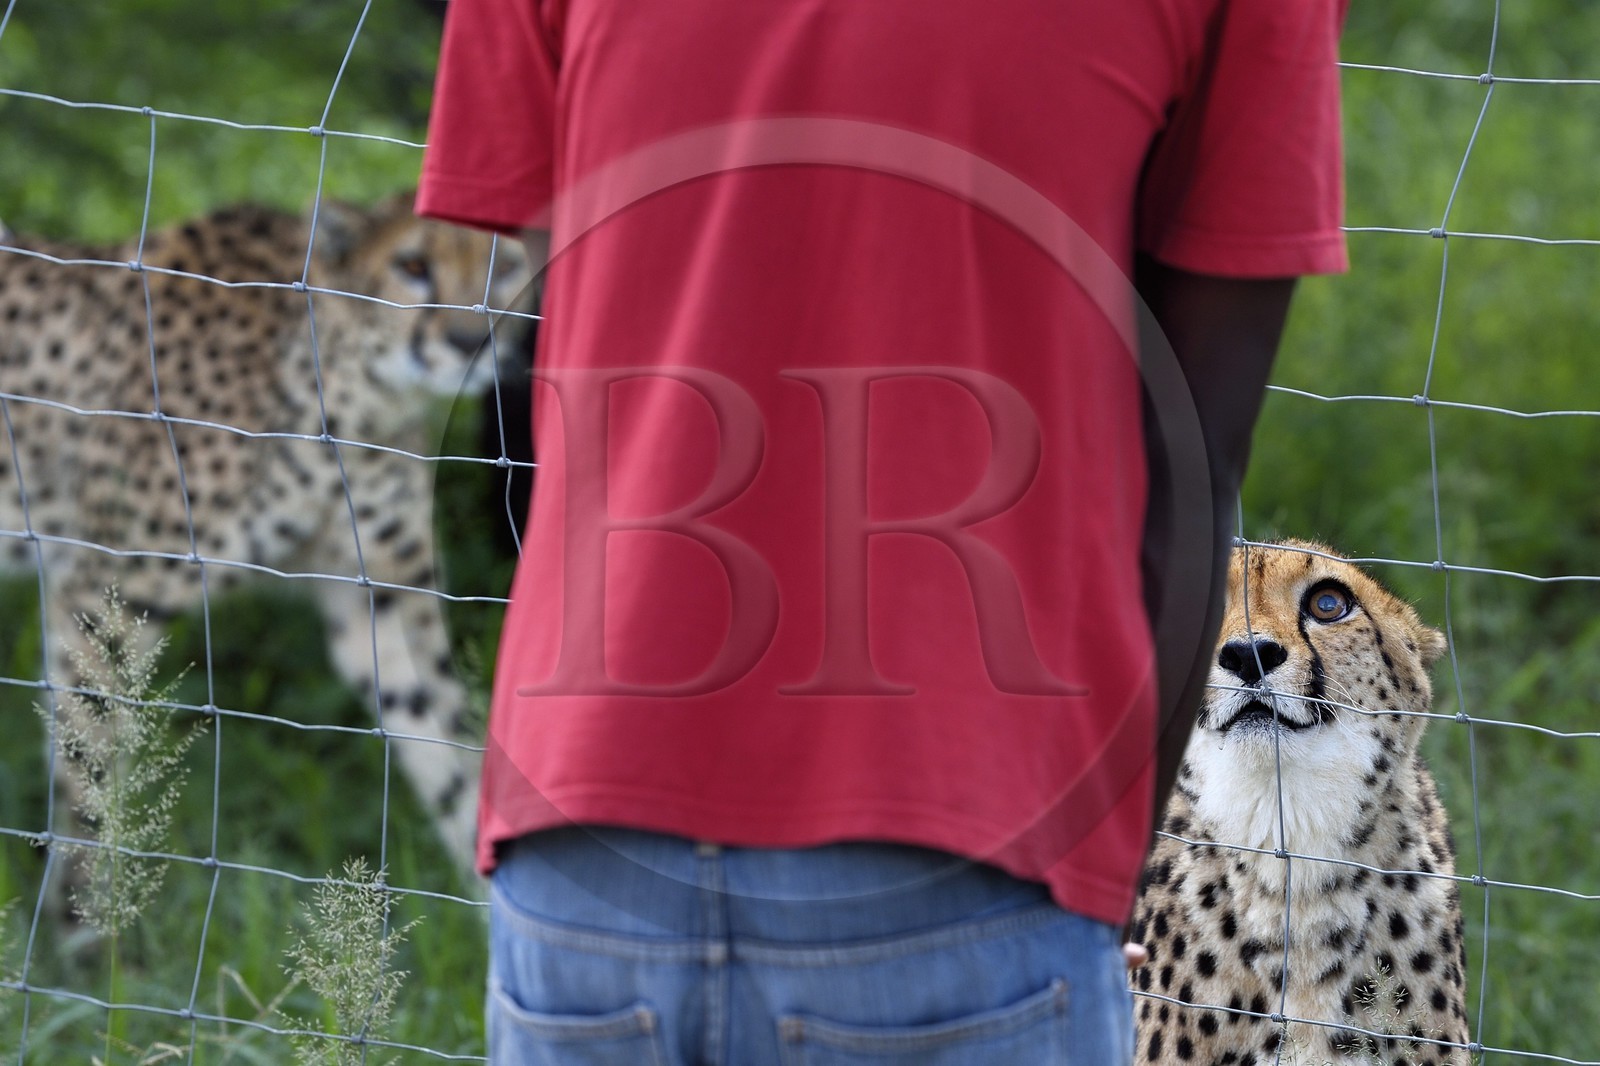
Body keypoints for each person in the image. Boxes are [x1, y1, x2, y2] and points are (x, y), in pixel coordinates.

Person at [417, 1, 1348, 1061]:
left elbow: (580, 335)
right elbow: (1191, 471)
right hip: (967, 836)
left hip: (581, 847)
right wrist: (1108, 868)